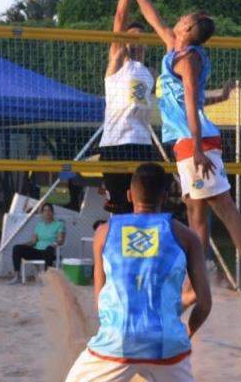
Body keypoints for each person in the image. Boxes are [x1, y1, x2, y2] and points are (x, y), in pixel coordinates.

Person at [118, 0, 241, 314]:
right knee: (196, 219)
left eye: (182, 20)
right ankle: (191, 287)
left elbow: (188, 107)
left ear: (188, 29)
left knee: (225, 210)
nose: (176, 21)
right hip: (188, 142)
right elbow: (152, 17)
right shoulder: (176, 49)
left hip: (194, 143)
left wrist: (197, 147)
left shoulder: (187, 58)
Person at [65, 163, 211, 382]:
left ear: (129, 195)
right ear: (166, 195)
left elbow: (100, 302)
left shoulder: (104, 233)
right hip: (167, 344)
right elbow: (206, 303)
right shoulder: (187, 237)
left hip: (118, 341)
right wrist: (185, 334)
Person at [99, 0, 156, 215]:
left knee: (145, 208)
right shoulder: (119, 63)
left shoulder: (150, 73)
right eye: (131, 37)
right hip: (115, 145)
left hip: (142, 144)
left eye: (139, 37)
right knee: (118, 210)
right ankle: (114, 257)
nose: (135, 41)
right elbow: (120, 20)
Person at [8, 203, 66, 284]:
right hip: (38, 251)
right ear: (42, 213)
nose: (47, 212)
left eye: (49, 210)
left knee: (49, 249)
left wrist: (54, 244)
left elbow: (61, 240)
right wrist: (23, 245)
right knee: (17, 248)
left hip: (50, 251)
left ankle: (47, 277)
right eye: (45, 211)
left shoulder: (59, 224)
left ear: (52, 212)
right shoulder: (39, 225)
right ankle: (17, 276)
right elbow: (33, 242)